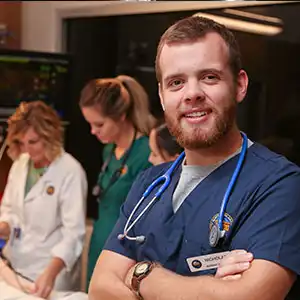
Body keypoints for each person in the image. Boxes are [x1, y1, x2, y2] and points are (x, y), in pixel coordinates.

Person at [88, 16, 300, 300]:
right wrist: (209, 288)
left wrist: (141, 276)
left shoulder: (280, 185)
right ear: (162, 97)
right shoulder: (149, 184)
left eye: (209, 77)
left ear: (239, 85)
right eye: (176, 82)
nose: (192, 94)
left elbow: (248, 297)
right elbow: (100, 289)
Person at [0, 101, 87, 299]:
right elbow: (10, 210)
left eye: (33, 142)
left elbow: (73, 234)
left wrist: (50, 273)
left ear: (51, 137)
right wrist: (3, 226)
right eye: (21, 143)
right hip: (16, 263)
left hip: (49, 272)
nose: (27, 150)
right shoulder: (21, 164)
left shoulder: (70, 171)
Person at [79, 75, 156, 288]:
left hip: (126, 256)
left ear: (121, 115)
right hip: (99, 245)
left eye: (99, 124)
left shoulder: (147, 154)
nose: (93, 131)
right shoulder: (109, 151)